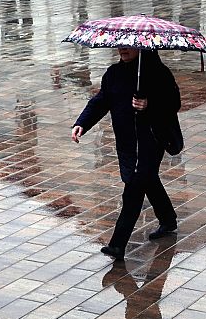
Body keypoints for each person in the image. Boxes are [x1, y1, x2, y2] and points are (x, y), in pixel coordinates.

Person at [71, 47, 180, 261]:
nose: (122, 49)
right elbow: (101, 101)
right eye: (120, 45)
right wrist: (82, 123)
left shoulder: (159, 73)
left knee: (134, 187)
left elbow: (174, 103)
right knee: (147, 179)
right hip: (127, 142)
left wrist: (149, 104)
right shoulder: (113, 74)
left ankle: (117, 244)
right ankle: (168, 219)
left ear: (142, 47)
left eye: (128, 45)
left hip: (151, 139)